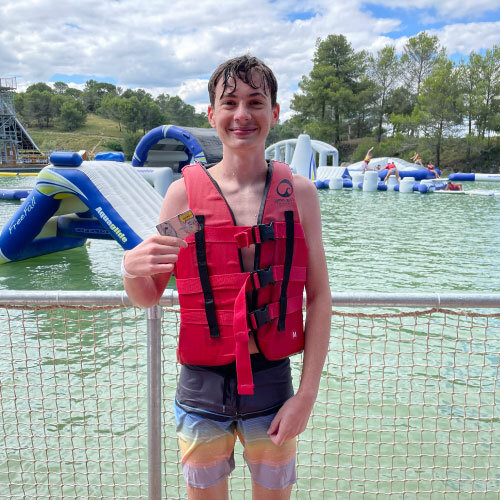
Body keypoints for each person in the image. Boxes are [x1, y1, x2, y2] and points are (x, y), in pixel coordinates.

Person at [122, 55, 332, 500]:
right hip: (201, 391)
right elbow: (148, 295)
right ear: (211, 114)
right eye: (230, 102)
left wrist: (306, 396)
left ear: (275, 112)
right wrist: (130, 269)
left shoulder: (299, 196)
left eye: (256, 102)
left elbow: (319, 297)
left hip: (273, 387)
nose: (242, 115)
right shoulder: (186, 199)